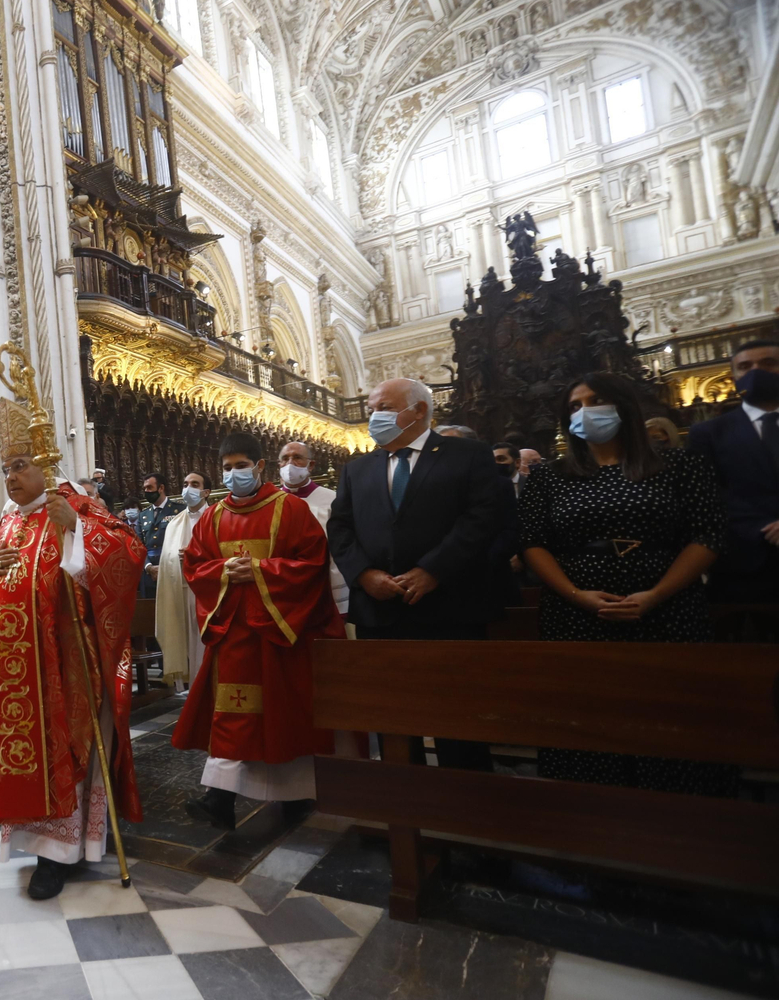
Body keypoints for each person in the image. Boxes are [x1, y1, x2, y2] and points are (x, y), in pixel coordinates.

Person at [521, 372, 737, 796]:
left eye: (596, 400)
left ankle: (685, 820)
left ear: (625, 405)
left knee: (672, 717)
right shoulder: (549, 476)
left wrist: (657, 594)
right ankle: (593, 821)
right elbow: (532, 542)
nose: (586, 411)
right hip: (578, 614)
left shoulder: (680, 465)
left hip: (668, 609)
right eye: (575, 405)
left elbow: (707, 535)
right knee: (588, 720)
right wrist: (576, 594)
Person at [0, 393, 145, 899]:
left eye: (20, 465)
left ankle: (62, 854)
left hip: (67, 661)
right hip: (16, 668)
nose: (11, 476)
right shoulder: (8, 520)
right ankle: (36, 842)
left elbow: (128, 555)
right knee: (28, 753)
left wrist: (79, 531)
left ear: (45, 464)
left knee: (68, 750)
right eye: (6, 468)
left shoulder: (75, 506)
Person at [327, 378, 510, 771]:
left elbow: (481, 518)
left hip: (450, 606)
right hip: (381, 610)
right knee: (393, 716)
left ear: (419, 411)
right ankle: (405, 802)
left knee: (458, 715)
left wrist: (433, 570)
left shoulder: (467, 455)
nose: (374, 416)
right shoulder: (357, 469)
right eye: (372, 408)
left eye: (384, 407)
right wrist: (363, 574)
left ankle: (468, 802)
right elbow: (340, 529)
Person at [172, 432, 347, 829]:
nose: (234, 474)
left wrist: (260, 570)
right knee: (233, 712)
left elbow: (312, 564)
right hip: (235, 633)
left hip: (280, 631)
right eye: (227, 468)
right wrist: (223, 571)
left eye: (241, 466)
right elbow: (196, 566)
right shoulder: (214, 516)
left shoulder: (290, 509)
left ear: (259, 466)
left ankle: (297, 794)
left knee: (285, 714)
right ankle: (220, 797)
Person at [688, 340, 779, 609]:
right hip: (745, 566)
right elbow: (704, 501)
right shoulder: (708, 433)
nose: (755, 371)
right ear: (735, 376)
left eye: (768, 363)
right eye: (745, 366)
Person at [277, 441, 348, 614]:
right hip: (282, 589)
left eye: (297, 458)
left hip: (324, 586)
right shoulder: (271, 501)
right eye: (285, 459)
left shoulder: (332, 500)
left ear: (311, 465)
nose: (290, 464)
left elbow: (341, 548)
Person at [154, 472, 210, 691]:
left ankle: (207, 691)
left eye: (195, 484)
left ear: (206, 492)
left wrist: (195, 558)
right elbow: (167, 559)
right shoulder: (174, 523)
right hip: (179, 591)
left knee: (204, 646)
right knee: (187, 645)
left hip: (206, 593)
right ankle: (194, 693)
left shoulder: (216, 517)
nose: (188, 488)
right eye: (185, 484)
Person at [136, 473, 183, 599]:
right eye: (145, 488)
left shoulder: (179, 510)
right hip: (150, 572)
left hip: (173, 568)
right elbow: (138, 544)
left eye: (150, 487)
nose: (146, 491)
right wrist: (148, 567)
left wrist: (165, 566)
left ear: (161, 488)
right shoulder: (143, 515)